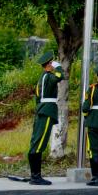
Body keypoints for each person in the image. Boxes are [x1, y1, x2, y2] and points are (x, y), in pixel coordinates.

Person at [28, 50, 64, 185]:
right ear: (49, 64)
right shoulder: (48, 76)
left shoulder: (41, 78)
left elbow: (37, 98)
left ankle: (34, 175)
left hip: (42, 109)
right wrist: (58, 67)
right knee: (39, 143)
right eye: (52, 63)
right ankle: (35, 177)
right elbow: (60, 76)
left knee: (36, 141)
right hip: (47, 111)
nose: (54, 66)